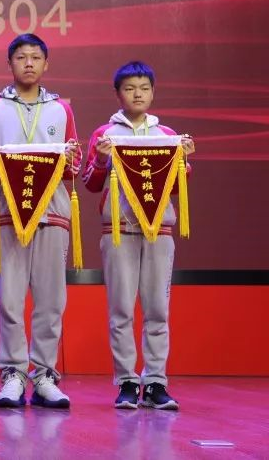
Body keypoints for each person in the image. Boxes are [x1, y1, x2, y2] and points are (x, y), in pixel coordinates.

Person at [0, 34, 80, 409]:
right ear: (9, 64)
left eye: (35, 57)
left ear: (46, 63)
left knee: (51, 300)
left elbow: (74, 166)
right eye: (21, 57)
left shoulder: (61, 109)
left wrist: (71, 158)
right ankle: (13, 374)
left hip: (52, 213)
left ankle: (45, 374)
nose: (29, 63)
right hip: (7, 215)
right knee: (10, 298)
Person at [82, 61, 195, 410]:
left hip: (159, 230)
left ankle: (156, 381)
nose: (137, 95)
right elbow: (90, 183)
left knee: (158, 309)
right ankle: (127, 381)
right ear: (118, 94)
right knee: (121, 309)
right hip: (119, 230)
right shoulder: (105, 135)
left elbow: (175, 187)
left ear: (153, 93)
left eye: (144, 88)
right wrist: (102, 161)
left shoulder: (167, 135)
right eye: (130, 89)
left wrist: (184, 162)